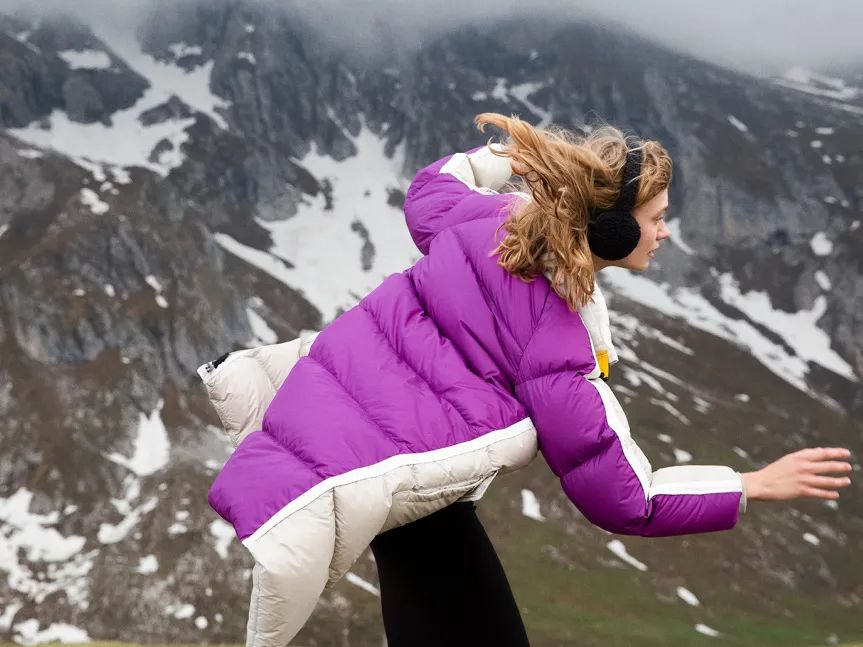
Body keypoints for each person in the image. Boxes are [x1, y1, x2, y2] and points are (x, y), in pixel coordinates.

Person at [199, 113, 853, 646]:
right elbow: (628, 499)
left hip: (362, 455)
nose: (664, 230)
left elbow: (431, 185)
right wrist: (750, 485)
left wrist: (510, 160)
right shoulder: (555, 342)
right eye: (654, 217)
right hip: (392, 483)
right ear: (611, 227)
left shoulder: (483, 221)